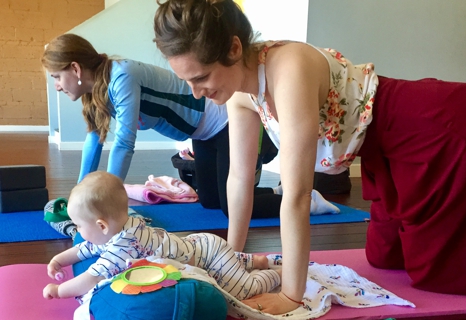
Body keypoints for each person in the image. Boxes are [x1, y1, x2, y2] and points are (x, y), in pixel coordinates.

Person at [153, 0, 466, 314]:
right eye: (187, 81)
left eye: (201, 78)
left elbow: (297, 194)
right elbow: (239, 179)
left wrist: (292, 294)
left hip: (431, 128)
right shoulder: (240, 96)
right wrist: (232, 261)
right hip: (382, 154)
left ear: (234, 49)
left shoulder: (289, 67)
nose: (196, 92)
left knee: (434, 271)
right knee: (384, 258)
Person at [41, 33, 335, 219]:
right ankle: (279, 193)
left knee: (230, 207)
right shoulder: (96, 95)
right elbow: (94, 141)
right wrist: (79, 194)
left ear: (76, 69)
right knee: (208, 202)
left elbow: (124, 142)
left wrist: (103, 201)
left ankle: (307, 201)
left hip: (224, 120)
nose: (56, 86)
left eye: (57, 76)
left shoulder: (122, 76)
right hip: (201, 134)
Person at [43, 171, 281, 301]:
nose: (79, 233)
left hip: (209, 256)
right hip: (198, 246)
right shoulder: (123, 226)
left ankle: (274, 273)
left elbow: (90, 279)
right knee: (229, 264)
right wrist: (58, 260)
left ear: (102, 226)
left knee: (242, 292)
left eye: (78, 226)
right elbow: (84, 249)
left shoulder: (122, 247)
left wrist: (58, 291)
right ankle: (254, 261)